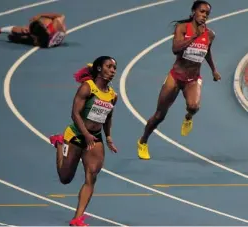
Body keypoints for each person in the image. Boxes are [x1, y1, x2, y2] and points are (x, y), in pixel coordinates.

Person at [137, 0, 221, 160]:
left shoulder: (210, 34)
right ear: (194, 11)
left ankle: (188, 117)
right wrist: (193, 37)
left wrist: (214, 70)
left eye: (207, 14)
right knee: (159, 115)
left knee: (194, 106)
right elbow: (175, 49)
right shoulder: (182, 28)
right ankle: (143, 141)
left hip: (193, 79)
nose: (204, 16)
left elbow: (207, 52)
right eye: (202, 12)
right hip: (175, 77)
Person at [49, 56, 118, 226]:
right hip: (76, 135)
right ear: (99, 69)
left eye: (114, 68)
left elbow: (108, 117)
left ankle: (77, 218)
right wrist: (85, 133)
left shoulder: (112, 95)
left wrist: (108, 137)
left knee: (92, 174)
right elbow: (75, 114)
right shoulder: (87, 88)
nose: (113, 70)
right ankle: (59, 143)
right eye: (109, 66)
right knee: (65, 178)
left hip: (95, 138)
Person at [0, 12, 66, 48]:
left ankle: (0, 31)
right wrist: (40, 15)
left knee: (17, 34)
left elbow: (61, 16)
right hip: (46, 38)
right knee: (22, 32)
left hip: (44, 41)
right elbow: (61, 15)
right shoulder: (55, 25)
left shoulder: (55, 26)